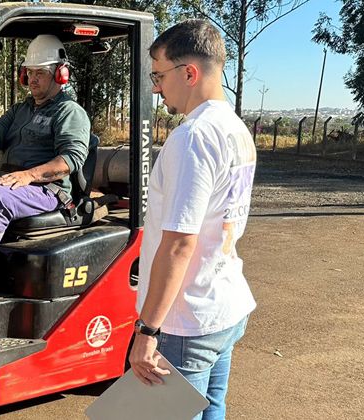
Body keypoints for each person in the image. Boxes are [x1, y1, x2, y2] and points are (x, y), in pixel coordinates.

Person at [128, 19, 256, 420]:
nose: (155, 87)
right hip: (224, 305)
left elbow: (179, 243)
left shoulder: (194, 137)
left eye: (159, 75)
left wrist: (147, 331)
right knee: (210, 411)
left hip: (187, 320)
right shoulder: (236, 128)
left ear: (189, 73)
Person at [0, 34, 90, 295]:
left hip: (48, 189)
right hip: (12, 181)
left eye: (40, 73)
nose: (32, 79)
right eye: (29, 72)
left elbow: (71, 160)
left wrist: (29, 175)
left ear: (60, 74)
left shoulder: (70, 112)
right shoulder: (22, 109)